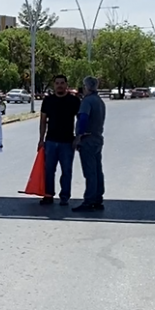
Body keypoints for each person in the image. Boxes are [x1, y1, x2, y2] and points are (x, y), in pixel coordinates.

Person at [38, 75, 81, 206]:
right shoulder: (48, 101)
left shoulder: (74, 101)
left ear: (66, 85)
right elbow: (43, 121)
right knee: (49, 170)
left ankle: (65, 196)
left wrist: (78, 137)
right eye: (57, 83)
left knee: (66, 171)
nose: (60, 85)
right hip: (50, 141)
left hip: (67, 142)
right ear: (54, 85)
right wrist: (41, 140)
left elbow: (81, 120)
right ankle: (49, 195)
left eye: (62, 83)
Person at [72, 76, 106, 212]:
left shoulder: (87, 101)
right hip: (98, 138)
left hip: (88, 139)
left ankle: (89, 200)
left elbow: (83, 118)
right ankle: (98, 197)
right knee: (98, 170)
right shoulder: (99, 101)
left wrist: (78, 136)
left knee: (90, 171)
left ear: (86, 87)